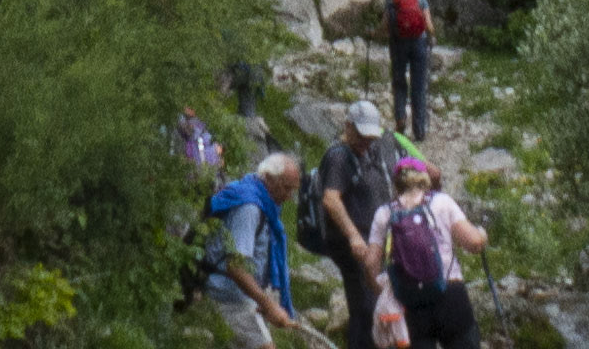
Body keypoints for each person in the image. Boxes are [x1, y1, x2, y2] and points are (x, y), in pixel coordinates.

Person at [195, 149, 314, 345]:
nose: (288, 197)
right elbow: (235, 266)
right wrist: (267, 303)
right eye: (286, 188)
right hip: (227, 295)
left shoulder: (261, 200)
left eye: (293, 190)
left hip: (239, 293)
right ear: (268, 178)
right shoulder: (250, 209)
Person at [369, 152, 486, 349]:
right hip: (450, 294)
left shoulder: (385, 213)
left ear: (396, 183)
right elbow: (473, 243)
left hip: (410, 300)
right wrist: (482, 234)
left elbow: (370, 262)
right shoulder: (442, 202)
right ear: (425, 179)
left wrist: (381, 290)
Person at [312, 101, 391, 348]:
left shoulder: (370, 151)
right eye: (361, 134)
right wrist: (354, 235)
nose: (366, 140)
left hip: (374, 241)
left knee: (375, 301)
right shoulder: (338, 158)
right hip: (354, 244)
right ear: (348, 127)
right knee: (365, 306)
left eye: (370, 135)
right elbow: (331, 199)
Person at [384, 0, 434, 142]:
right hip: (419, 43)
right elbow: (428, 25)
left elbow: (386, 25)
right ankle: (419, 131)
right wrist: (431, 37)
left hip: (398, 44)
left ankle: (400, 121)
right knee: (419, 86)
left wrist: (373, 34)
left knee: (399, 83)